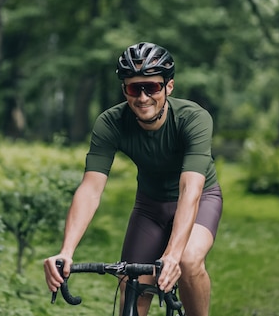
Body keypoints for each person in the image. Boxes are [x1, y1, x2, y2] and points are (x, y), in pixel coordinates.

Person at [43, 42, 223, 316]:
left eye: (151, 87)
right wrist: (66, 251)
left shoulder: (193, 119)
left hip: (199, 201)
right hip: (150, 207)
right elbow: (91, 189)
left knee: (187, 261)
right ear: (123, 89)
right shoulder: (111, 122)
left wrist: (173, 254)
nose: (142, 97)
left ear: (168, 87)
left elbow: (191, 190)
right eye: (133, 88)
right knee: (132, 286)